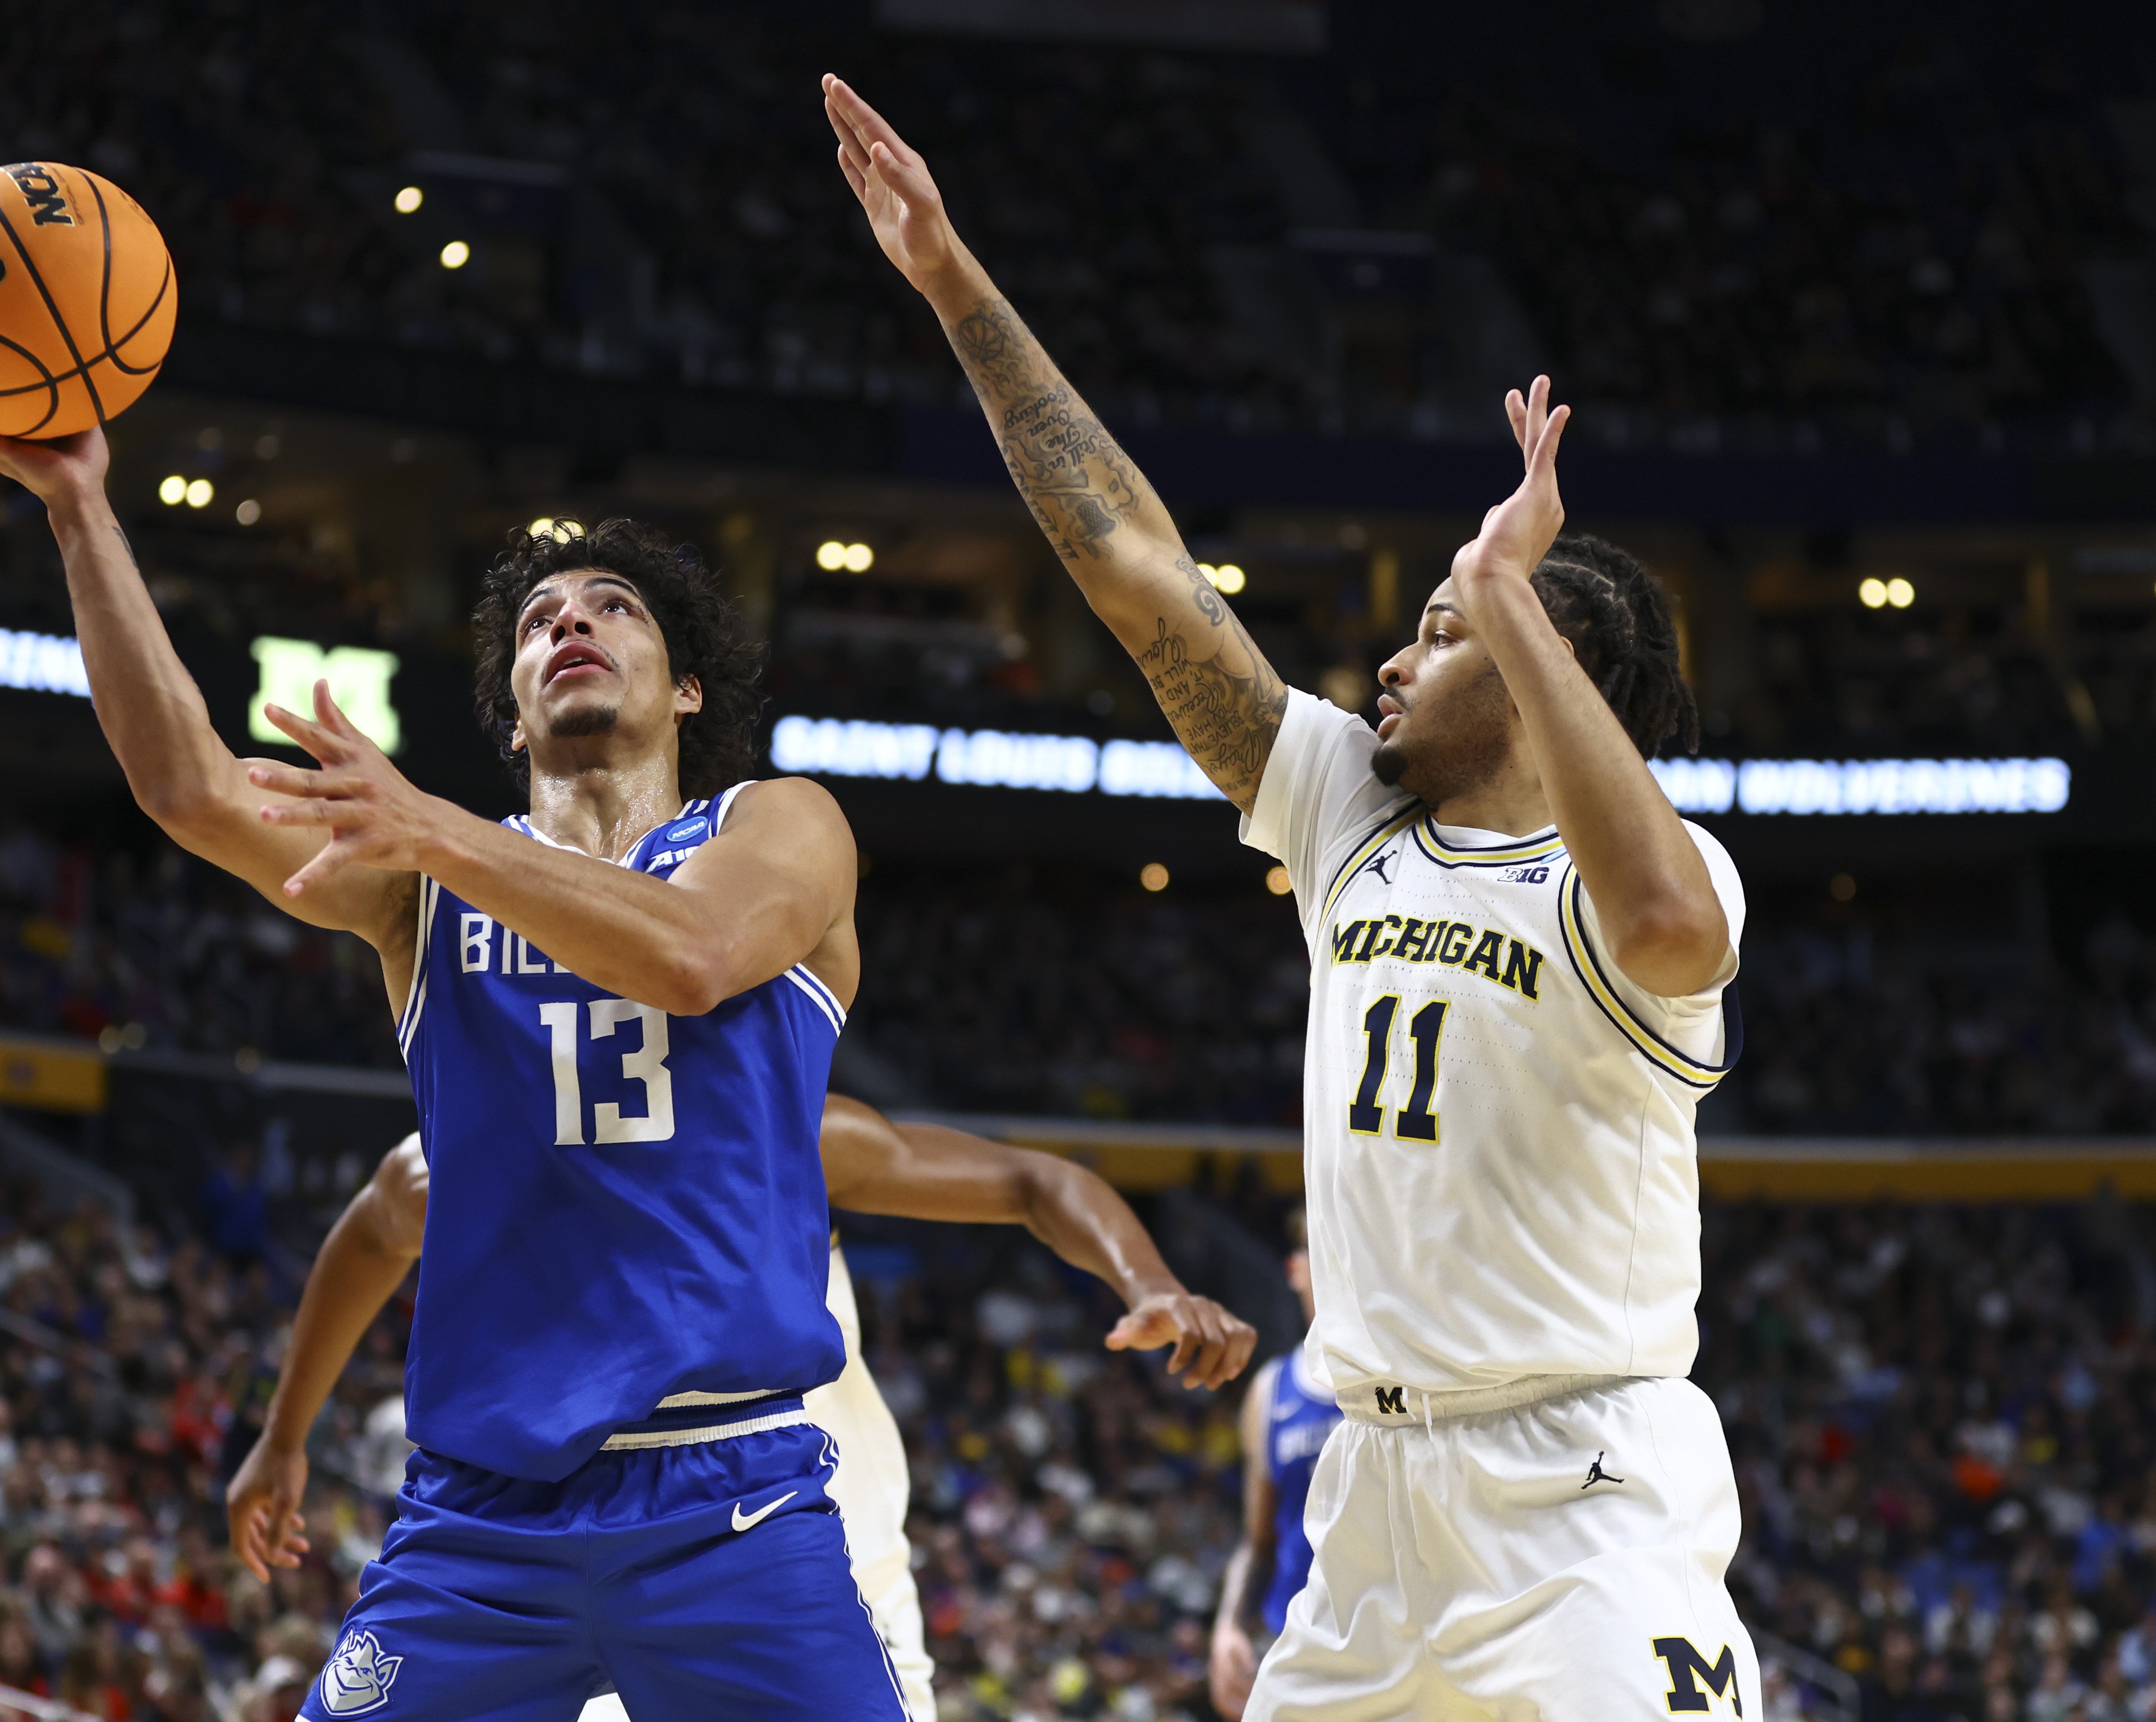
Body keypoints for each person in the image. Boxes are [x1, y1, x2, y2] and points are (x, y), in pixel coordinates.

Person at [825, 74, 1756, 1720]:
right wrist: (956, 286)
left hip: (1585, 1491)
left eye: (1441, 631)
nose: (1394, 658)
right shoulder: (1346, 811)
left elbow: (1673, 931)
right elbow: (1138, 574)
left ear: (1560, 667)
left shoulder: (1639, 878)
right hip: (1375, 1500)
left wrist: (1506, 593)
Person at [0, 362, 894, 1718]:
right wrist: (79, 507)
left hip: (727, 1496)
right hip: (481, 1522)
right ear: (509, 716)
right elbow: (186, 785)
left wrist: (431, 822)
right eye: (540, 617)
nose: (571, 623)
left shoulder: (775, 824)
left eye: (612, 607)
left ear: (684, 692)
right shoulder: (421, 880)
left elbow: (693, 954)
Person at [227, 1104, 1256, 1722]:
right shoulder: (477, 1152)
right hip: (579, 1570)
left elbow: (1036, 1181)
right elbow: (367, 1234)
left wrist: (1147, 1279)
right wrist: (280, 1440)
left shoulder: (779, 1131)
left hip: (819, 1575)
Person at [1208, 1211, 1338, 1718]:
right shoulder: (1270, 1389)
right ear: (1293, 1269)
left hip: (1391, 1636)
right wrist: (1227, 1626)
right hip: (1293, 1642)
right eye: (1315, 1248)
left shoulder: (1403, 1378)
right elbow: (1257, 1541)